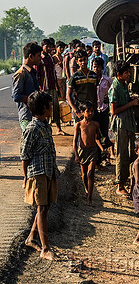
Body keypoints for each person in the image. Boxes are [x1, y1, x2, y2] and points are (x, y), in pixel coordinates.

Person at [21, 91, 59, 260]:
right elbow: (25, 155)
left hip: (49, 171)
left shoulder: (46, 126)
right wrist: (26, 177)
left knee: (46, 207)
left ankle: (32, 237)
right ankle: (45, 248)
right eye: (49, 105)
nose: (52, 108)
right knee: (42, 208)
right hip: (37, 174)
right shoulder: (32, 129)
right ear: (43, 108)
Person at [109, 60, 139, 196]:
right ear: (119, 74)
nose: (129, 74)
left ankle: (131, 181)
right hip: (121, 123)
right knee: (122, 154)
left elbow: (124, 101)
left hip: (128, 121)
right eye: (126, 72)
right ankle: (120, 184)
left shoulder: (124, 84)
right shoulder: (114, 88)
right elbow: (114, 110)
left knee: (131, 151)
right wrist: (131, 103)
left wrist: (131, 99)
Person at [73, 101, 104, 205]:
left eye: (92, 111)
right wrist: (76, 155)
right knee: (84, 174)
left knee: (91, 173)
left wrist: (102, 149)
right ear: (82, 112)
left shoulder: (96, 125)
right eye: (88, 111)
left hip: (93, 151)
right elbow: (75, 141)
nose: (91, 113)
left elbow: (97, 139)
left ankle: (89, 198)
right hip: (82, 151)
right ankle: (86, 189)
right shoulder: (79, 125)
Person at [12, 42, 42, 131]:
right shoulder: (20, 74)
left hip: (35, 115)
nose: (40, 58)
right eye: (38, 56)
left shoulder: (32, 72)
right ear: (31, 56)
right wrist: (33, 99)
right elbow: (16, 96)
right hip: (26, 116)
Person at [37, 39, 64, 135]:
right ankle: (45, 129)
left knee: (55, 107)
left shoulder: (51, 58)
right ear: (42, 46)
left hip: (52, 86)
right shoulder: (39, 58)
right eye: (46, 47)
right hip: (44, 88)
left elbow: (54, 73)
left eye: (50, 47)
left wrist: (57, 86)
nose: (48, 49)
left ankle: (58, 128)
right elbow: (38, 75)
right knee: (45, 108)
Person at [92, 57, 113, 165]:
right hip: (93, 110)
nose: (96, 69)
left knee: (104, 133)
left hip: (104, 109)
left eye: (98, 67)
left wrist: (108, 99)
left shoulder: (107, 80)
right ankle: (97, 158)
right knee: (95, 134)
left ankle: (105, 157)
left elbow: (112, 92)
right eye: (95, 67)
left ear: (102, 68)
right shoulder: (90, 79)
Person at [66, 50, 98, 121]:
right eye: (80, 61)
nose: (83, 62)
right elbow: (68, 96)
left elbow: (95, 93)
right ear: (77, 62)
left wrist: (95, 108)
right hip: (80, 110)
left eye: (84, 60)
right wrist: (76, 112)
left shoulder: (93, 75)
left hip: (91, 111)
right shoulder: (75, 76)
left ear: (87, 59)